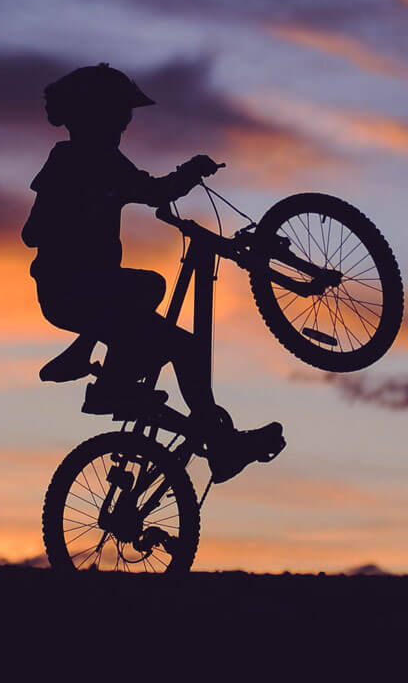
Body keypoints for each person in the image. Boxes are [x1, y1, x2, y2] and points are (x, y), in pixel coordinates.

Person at [22, 63, 283, 483]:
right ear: (94, 117)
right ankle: (120, 389)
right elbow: (31, 233)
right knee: (165, 318)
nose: (123, 128)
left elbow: (154, 191)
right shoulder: (67, 163)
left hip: (96, 294)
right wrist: (79, 211)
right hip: (69, 290)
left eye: (125, 120)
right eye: (118, 118)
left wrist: (189, 173)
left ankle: (145, 396)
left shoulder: (109, 163)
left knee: (162, 313)